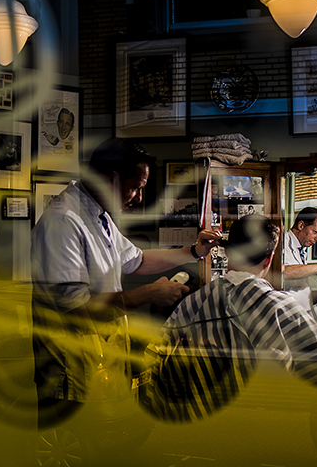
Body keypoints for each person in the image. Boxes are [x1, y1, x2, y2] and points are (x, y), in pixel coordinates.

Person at [30, 137, 220, 424]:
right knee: (71, 441)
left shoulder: (99, 215)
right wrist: (149, 294)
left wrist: (194, 251)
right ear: (110, 179)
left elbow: (136, 260)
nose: (139, 198)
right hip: (70, 367)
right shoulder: (63, 221)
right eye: (135, 188)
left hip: (100, 360)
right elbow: (76, 309)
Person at [139, 215, 317, 422]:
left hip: (196, 429)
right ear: (269, 259)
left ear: (227, 253)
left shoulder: (192, 303)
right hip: (261, 431)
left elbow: (152, 362)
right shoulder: (281, 308)